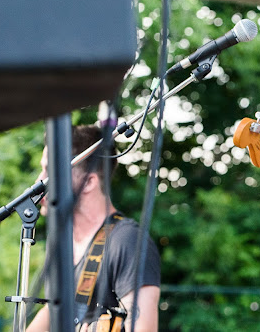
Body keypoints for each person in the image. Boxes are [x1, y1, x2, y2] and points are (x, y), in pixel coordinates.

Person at [27, 125, 161, 332]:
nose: (39, 181)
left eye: (49, 171)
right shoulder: (62, 244)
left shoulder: (127, 241)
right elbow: (51, 313)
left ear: (89, 182)